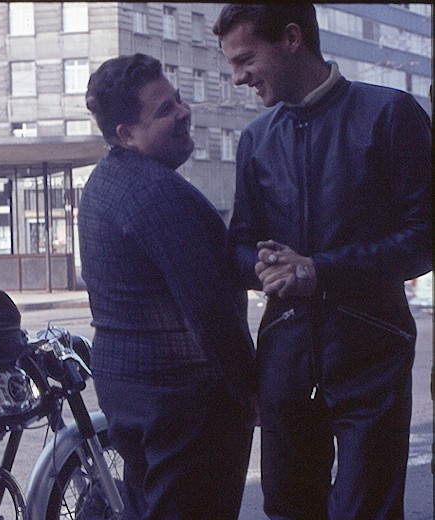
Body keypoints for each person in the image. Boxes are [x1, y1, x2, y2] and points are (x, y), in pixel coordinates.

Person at [213, 5, 432, 519]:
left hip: (371, 356)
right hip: (286, 360)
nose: (238, 78)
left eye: (245, 59)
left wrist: (318, 269)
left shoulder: (390, 115)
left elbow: (424, 239)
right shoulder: (256, 139)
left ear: (292, 39)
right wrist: (261, 266)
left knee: (366, 510)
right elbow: (239, 246)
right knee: (289, 507)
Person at [79, 53, 256, 519]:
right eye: (164, 110)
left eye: (176, 99)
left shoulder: (102, 183)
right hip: (182, 403)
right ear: (126, 134)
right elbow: (209, 310)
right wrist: (253, 393)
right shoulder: (157, 192)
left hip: (127, 392)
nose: (182, 112)